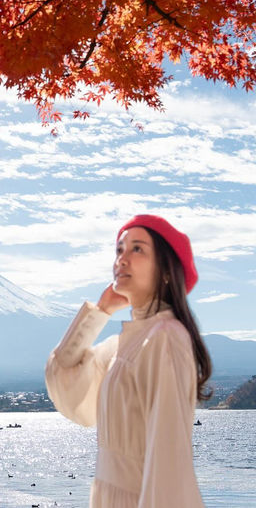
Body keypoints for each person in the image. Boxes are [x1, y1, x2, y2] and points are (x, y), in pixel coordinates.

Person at [45, 213, 212, 507]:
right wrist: (100, 311)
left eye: (137, 249)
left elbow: (169, 464)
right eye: (119, 249)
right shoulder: (125, 344)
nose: (122, 259)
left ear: (166, 271)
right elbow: (64, 380)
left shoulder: (165, 338)